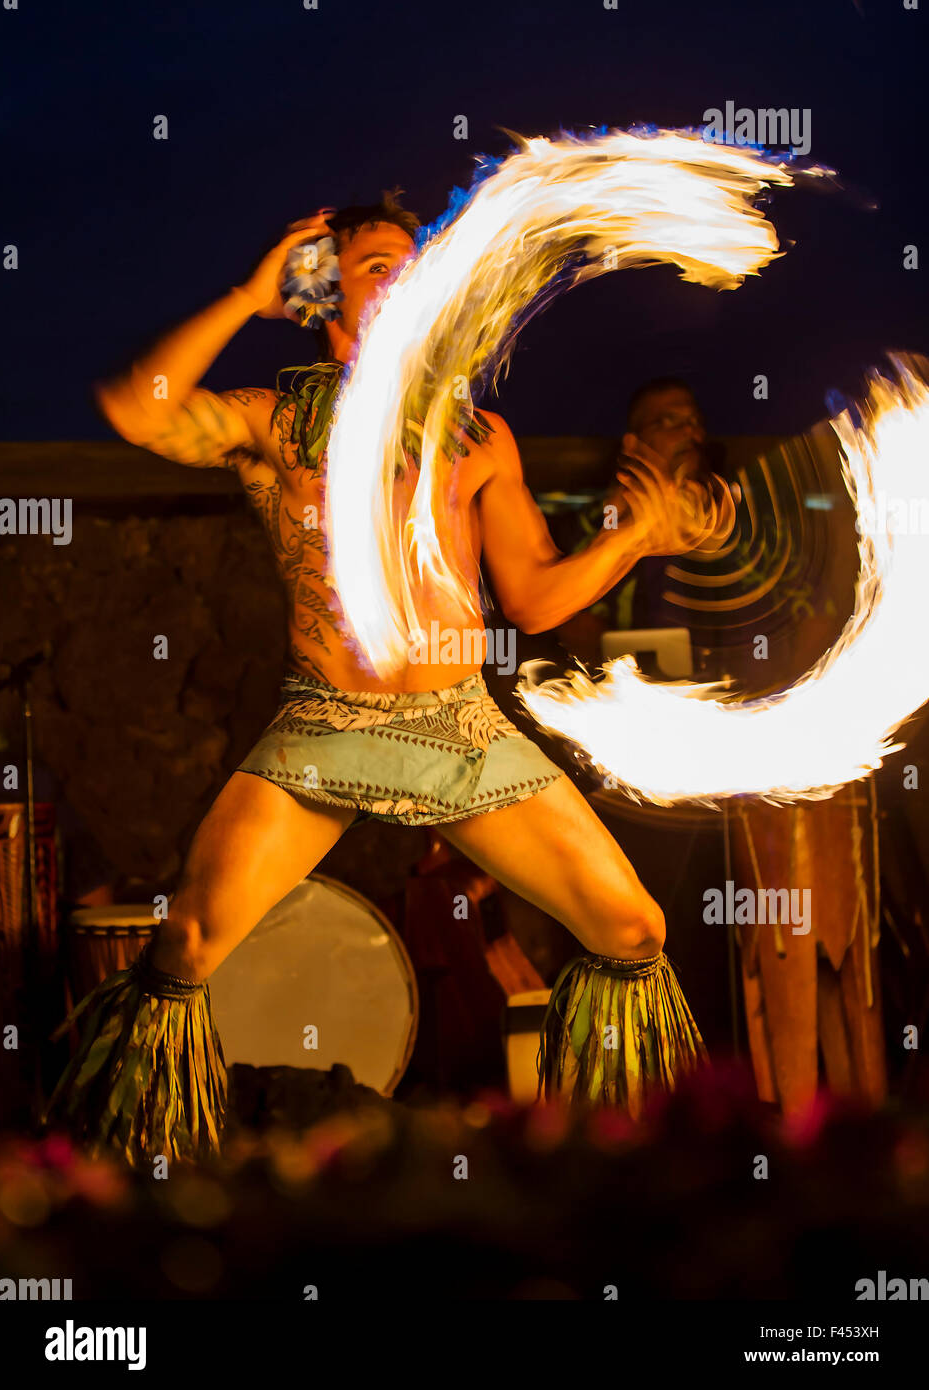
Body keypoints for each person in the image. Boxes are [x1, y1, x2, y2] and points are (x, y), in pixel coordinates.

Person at [44, 194, 737, 1163]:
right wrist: (250, 295)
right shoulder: (279, 421)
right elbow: (135, 410)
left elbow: (534, 597)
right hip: (325, 731)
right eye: (376, 266)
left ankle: (615, 1164)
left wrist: (638, 536)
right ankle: (130, 1162)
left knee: (632, 928)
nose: (406, 279)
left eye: (413, 264)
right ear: (325, 295)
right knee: (189, 945)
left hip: (461, 733)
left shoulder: (476, 437)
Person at [554, 378, 729, 669]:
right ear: (633, 444)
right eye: (668, 422)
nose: (691, 431)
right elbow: (571, 624)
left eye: (695, 421)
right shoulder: (594, 527)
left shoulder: (733, 526)